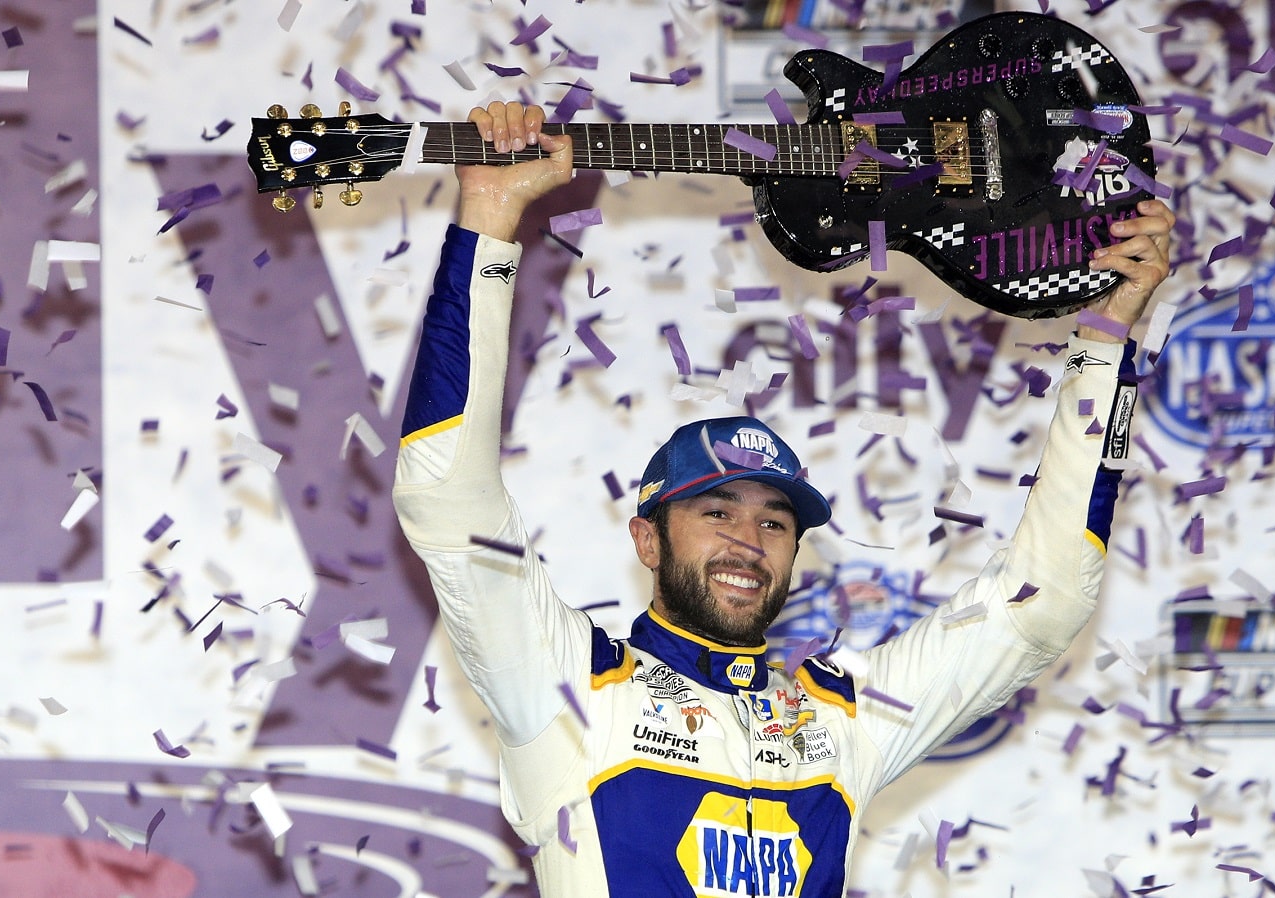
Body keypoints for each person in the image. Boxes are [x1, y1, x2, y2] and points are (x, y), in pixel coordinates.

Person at [392, 101, 1175, 897]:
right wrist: (489, 219)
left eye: (775, 521)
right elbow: (447, 496)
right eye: (716, 513)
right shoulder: (565, 683)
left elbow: (1041, 604)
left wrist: (1106, 339)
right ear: (647, 540)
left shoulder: (842, 718)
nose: (749, 541)